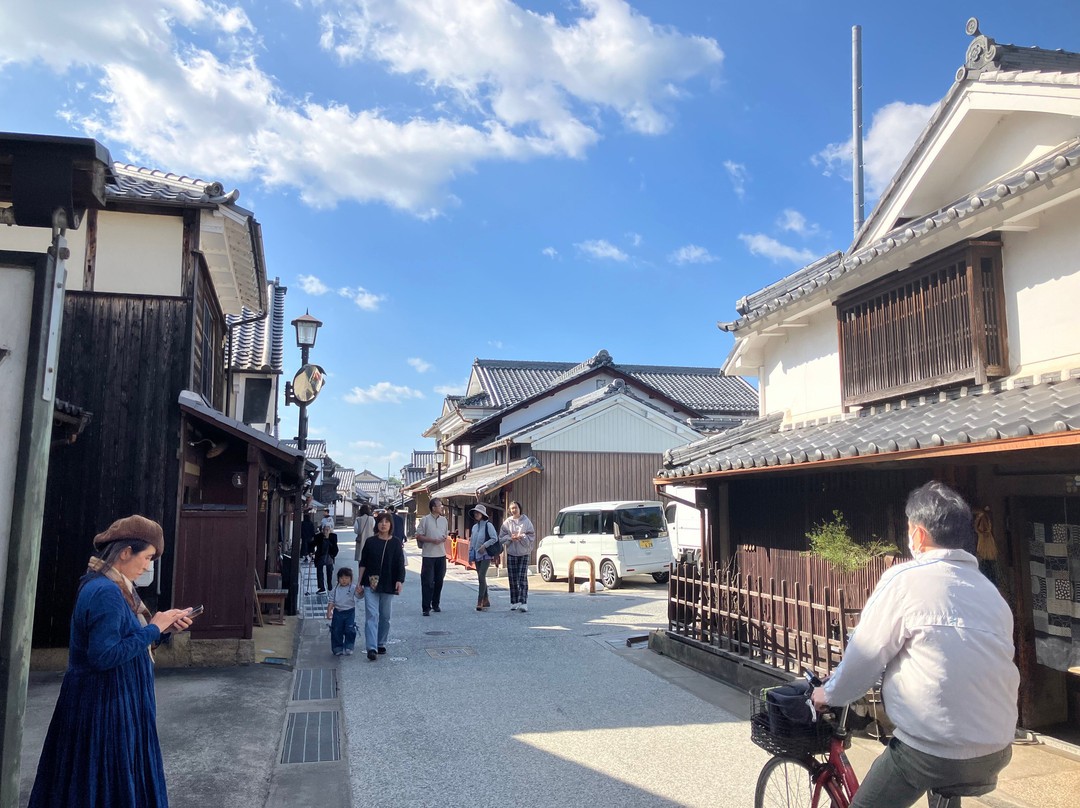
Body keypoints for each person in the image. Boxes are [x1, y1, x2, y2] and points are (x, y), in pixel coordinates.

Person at [811, 481, 1019, 808]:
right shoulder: (991, 594)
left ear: (918, 535)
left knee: (919, 760)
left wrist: (828, 693)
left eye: (909, 530)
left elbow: (864, 658)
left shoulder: (905, 581)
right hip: (997, 749)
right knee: (948, 771)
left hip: (931, 753)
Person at [28, 515, 194, 808]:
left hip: (114, 702)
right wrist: (153, 628)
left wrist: (161, 630)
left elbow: (127, 640)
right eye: (148, 557)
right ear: (125, 552)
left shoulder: (117, 588)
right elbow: (103, 655)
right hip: (104, 707)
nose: (148, 566)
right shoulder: (106, 592)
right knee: (105, 783)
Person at [356, 512, 406, 661]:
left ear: (391, 525)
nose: (383, 524)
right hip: (370, 582)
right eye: (380, 521)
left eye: (386, 522)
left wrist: (399, 581)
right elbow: (363, 563)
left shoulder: (396, 543)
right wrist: (359, 582)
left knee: (385, 616)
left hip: (389, 582)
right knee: (372, 615)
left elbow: (399, 563)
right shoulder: (370, 542)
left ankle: (381, 642)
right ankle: (371, 648)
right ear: (376, 524)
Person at [414, 497, 449, 616]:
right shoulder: (425, 520)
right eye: (440, 505)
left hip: (441, 554)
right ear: (433, 508)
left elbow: (446, 534)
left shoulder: (444, 520)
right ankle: (426, 607)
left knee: (439, 580)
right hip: (428, 555)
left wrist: (444, 539)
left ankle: (436, 603)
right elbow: (418, 535)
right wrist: (432, 540)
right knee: (427, 581)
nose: (441, 507)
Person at [500, 500, 535, 613]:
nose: (514, 510)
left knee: (522, 577)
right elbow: (502, 536)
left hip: (524, 552)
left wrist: (522, 537)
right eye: (512, 508)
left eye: (516, 507)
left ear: (520, 508)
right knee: (512, 577)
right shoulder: (507, 522)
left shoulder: (526, 521)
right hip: (511, 552)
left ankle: (523, 602)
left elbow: (531, 535)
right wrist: (510, 539)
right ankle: (514, 601)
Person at [469, 503, 499, 611]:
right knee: (480, 578)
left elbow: (494, 538)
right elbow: (472, 541)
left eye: (478, 513)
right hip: (477, 554)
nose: (476, 514)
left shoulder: (488, 525)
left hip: (486, 554)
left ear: (483, 514)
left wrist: (484, 546)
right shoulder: (474, 527)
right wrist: (470, 554)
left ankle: (480, 600)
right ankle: (486, 599)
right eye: (475, 512)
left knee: (481, 576)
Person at [325, 567, 359, 656]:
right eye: (342, 578)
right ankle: (337, 647)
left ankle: (349, 646)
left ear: (351, 579)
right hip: (338, 611)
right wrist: (329, 611)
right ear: (338, 579)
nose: (344, 580)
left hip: (350, 612)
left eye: (346, 578)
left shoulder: (353, 588)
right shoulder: (335, 589)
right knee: (336, 629)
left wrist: (361, 591)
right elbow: (331, 601)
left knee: (350, 629)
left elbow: (359, 596)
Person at [312, 523, 338, 594]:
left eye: (327, 530)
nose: (326, 531)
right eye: (324, 530)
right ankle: (321, 587)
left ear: (330, 530)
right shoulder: (318, 536)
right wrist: (311, 552)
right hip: (321, 556)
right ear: (322, 530)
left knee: (329, 571)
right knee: (319, 571)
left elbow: (335, 548)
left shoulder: (333, 537)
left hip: (329, 556)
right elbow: (312, 544)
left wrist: (333, 555)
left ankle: (329, 586)